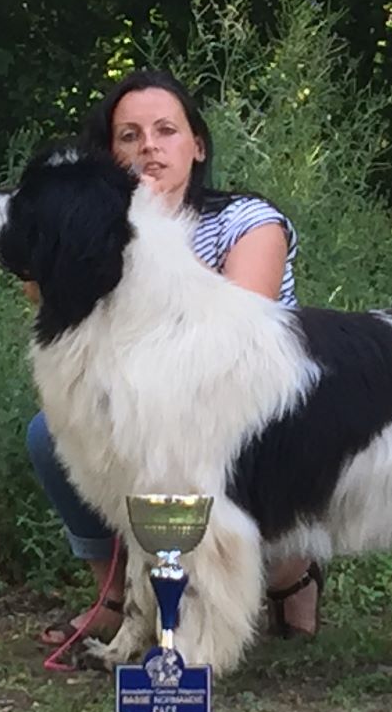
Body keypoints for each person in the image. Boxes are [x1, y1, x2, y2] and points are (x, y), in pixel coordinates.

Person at [25, 69, 323, 649]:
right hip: (145, 419)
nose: (149, 148)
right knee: (52, 433)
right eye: (129, 136)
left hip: (249, 423)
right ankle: (121, 600)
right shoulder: (87, 233)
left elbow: (234, 338)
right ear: (109, 153)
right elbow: (49, 305)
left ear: (198, 144)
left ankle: (290, 575)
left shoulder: (247, 221)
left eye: (165, 130)